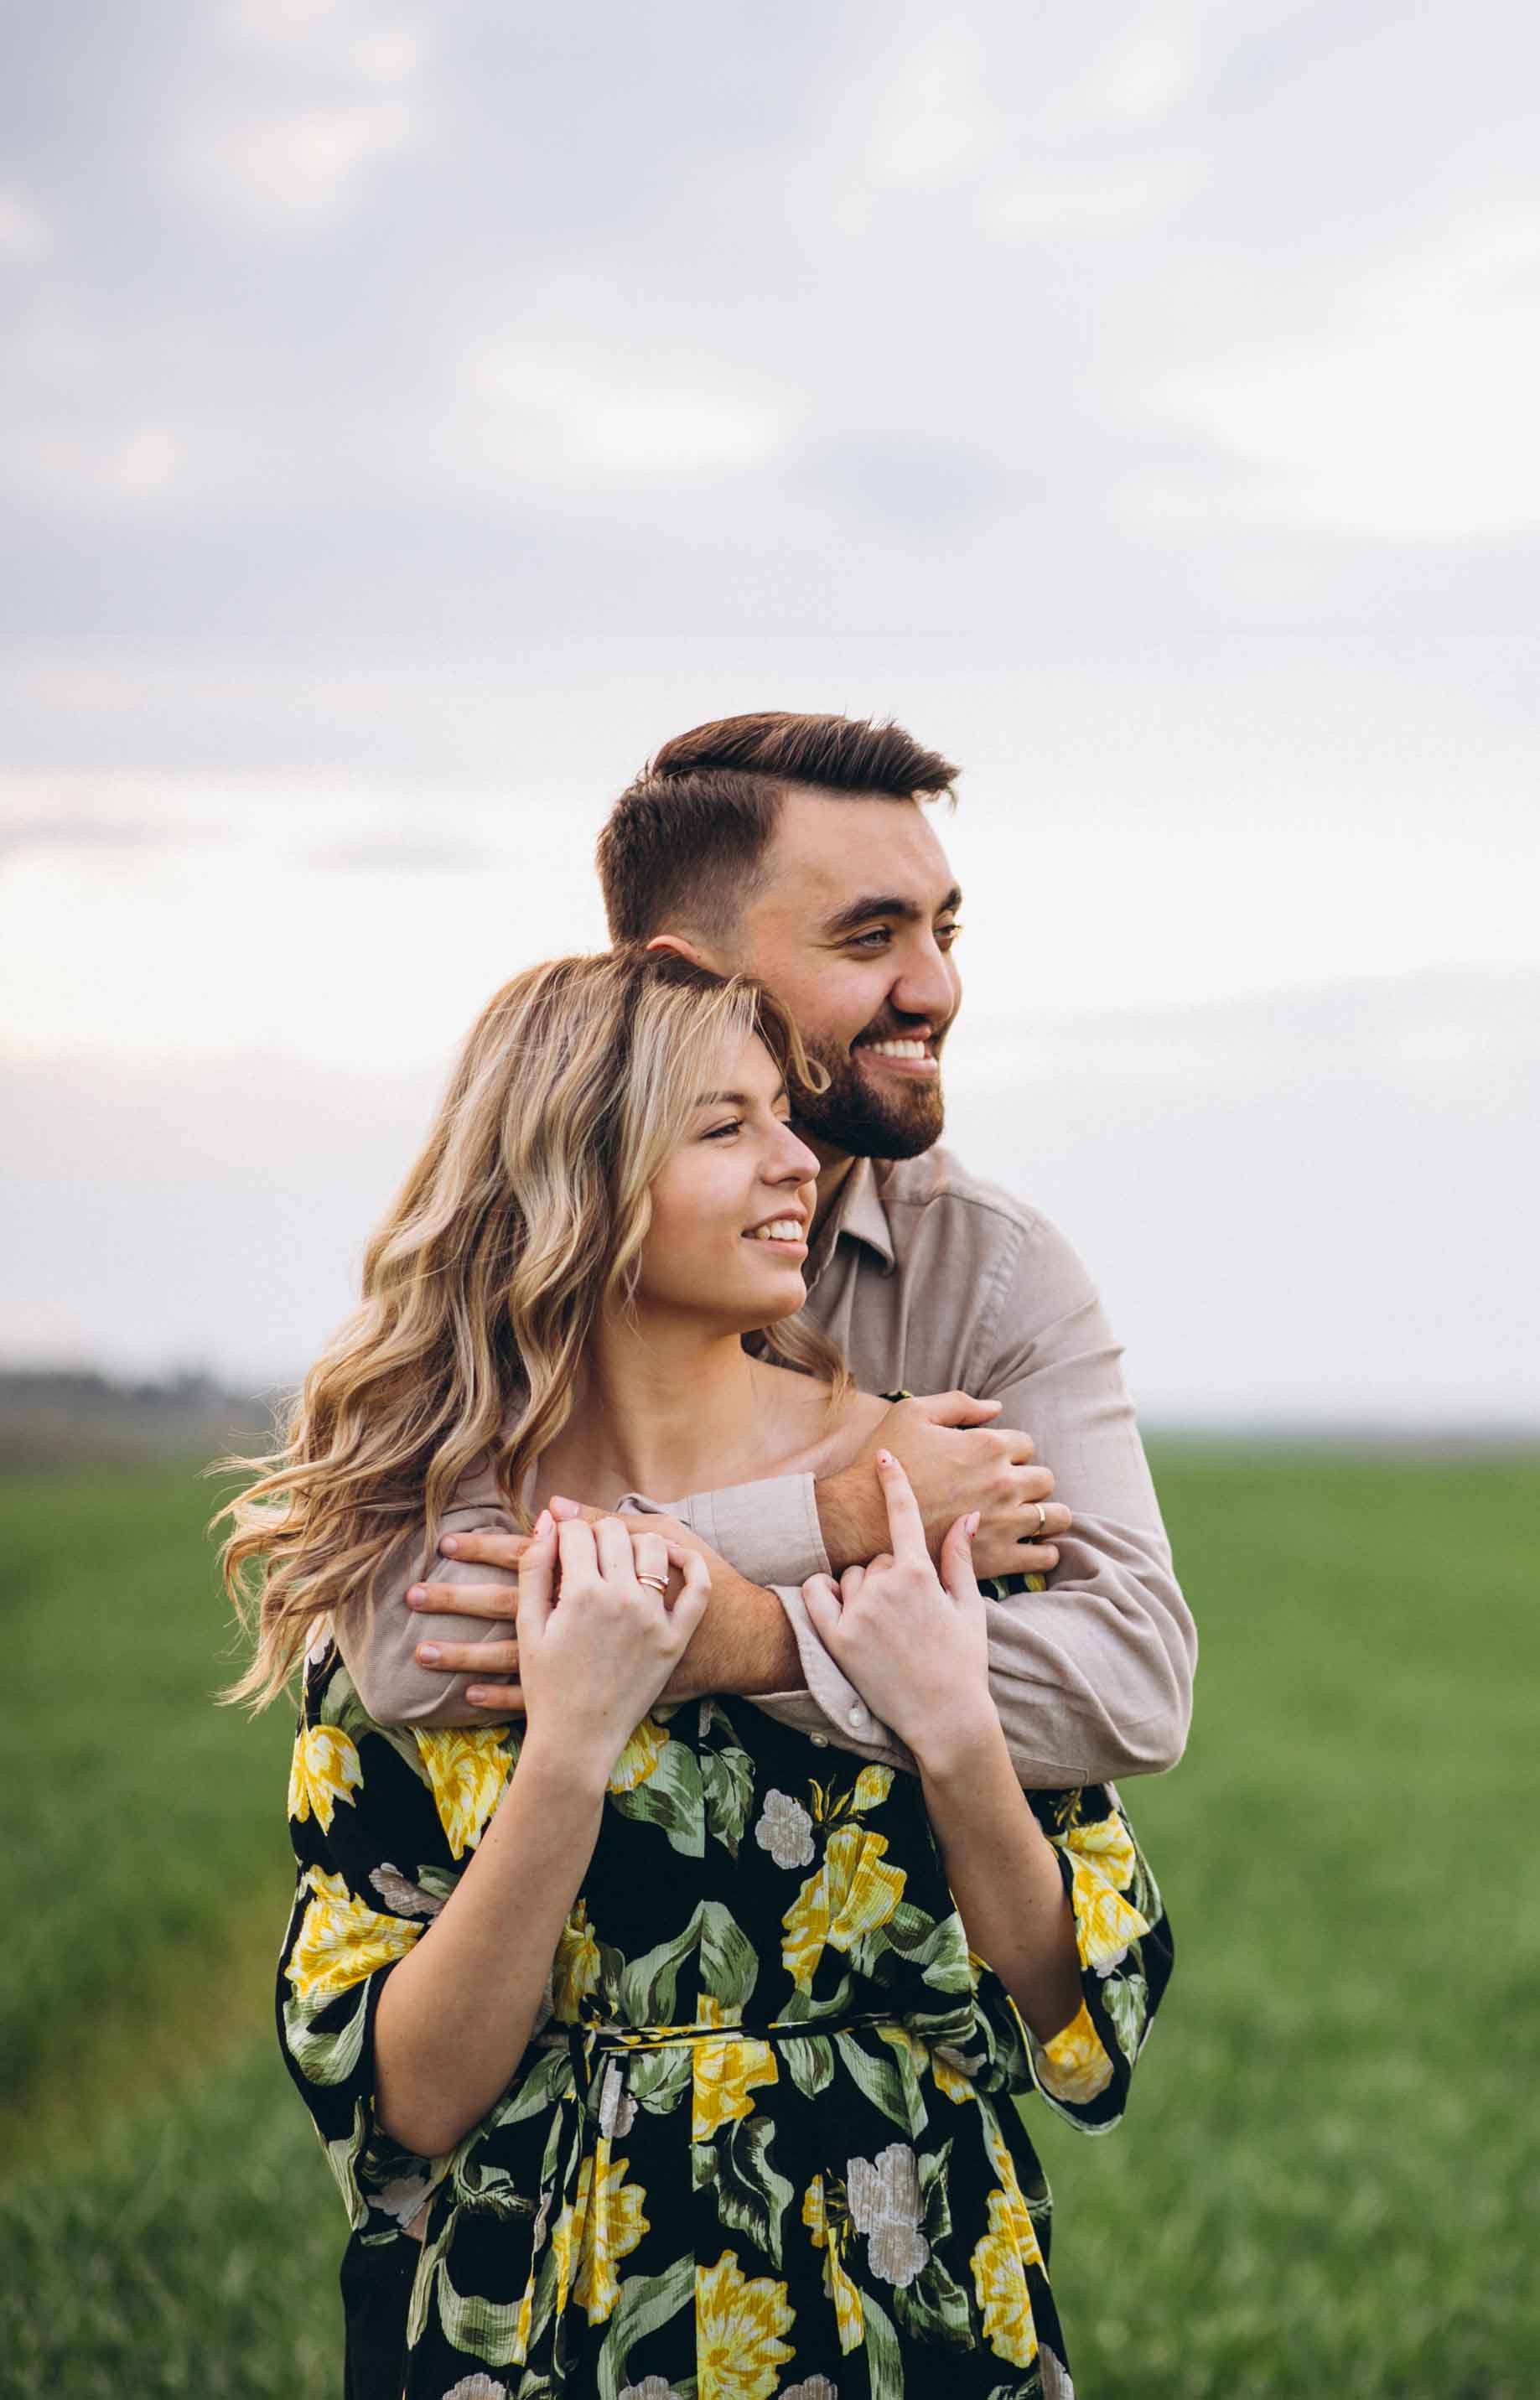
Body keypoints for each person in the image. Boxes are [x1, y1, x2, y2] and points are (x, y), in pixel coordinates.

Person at [223, 949, 1173, 2397]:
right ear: (575, 1176)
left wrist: (957, 1728)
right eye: (724, 1125)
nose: (799, 1158)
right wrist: (566, 1756)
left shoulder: (928, 1482)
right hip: (547, 2309)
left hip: (910, 2292)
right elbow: (402, 2099)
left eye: (782, 1115)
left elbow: (1078, 2012)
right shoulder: (439, 1558)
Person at [364, 712, 1193, 1791]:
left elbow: (1127, 1688)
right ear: (683, 973)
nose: (933, 988)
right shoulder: (512, 1257)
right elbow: (411, 1647)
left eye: (944, 932)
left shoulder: (992, 1275)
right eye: (868, 937)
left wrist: (754, 1638)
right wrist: (839, 1518)